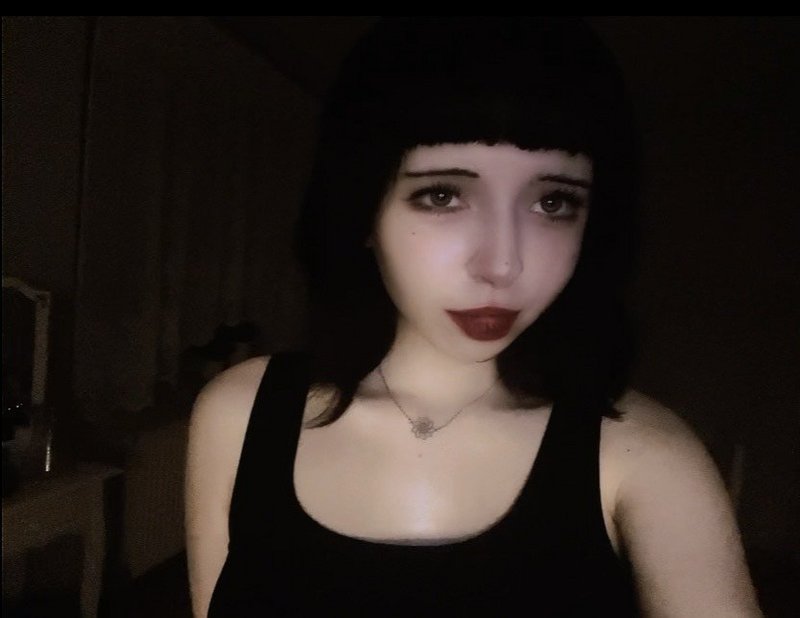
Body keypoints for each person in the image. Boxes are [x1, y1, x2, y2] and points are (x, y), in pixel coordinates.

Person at [185, 17, 762, 616]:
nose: (503, 265)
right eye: (442, 195)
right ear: (360, 210)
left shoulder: (644, 456)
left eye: (554, 202)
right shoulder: (239, 413)